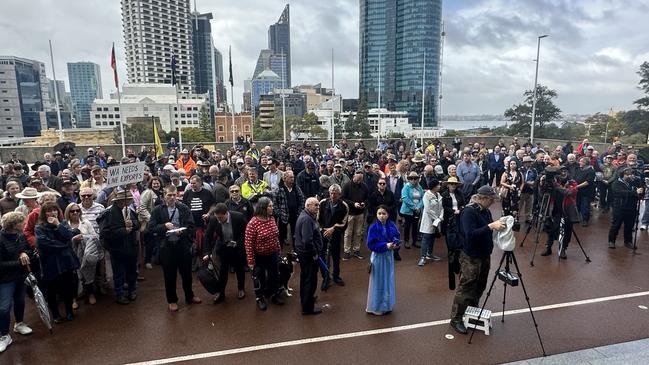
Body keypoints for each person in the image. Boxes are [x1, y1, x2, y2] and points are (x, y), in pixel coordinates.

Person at [450, 186, 505, 334]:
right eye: (491, 199)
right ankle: (456, 318)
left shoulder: (485, 211)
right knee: (466, 288)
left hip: (484, 254)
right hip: (471, 256)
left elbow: (488, 228)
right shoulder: (469, 211)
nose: (493, 202)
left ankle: (471, 312)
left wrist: (498, 225)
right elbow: (470, 234)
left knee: (479, 286)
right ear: (483, 198)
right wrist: (490, 226)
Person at [149, 185, 202, 311]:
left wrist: (182, 232)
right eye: (169, 195)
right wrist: (164, 226)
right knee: (169, 275)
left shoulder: (183, 208)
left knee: (187, 274)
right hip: (167, 247)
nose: (172, 198)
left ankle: (189, 296)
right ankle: (172, 300)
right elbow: (151, 228)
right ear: (164, 196)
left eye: (174, 195)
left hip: (182, 245)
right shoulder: (157, 210)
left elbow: (191, 226)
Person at [35, 202, 80, 323]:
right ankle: (55, 314)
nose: (52, 213)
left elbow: (68, 236)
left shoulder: (63, 223)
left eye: (54, 210)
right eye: (48, 211)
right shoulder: (39, 227)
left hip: (66, 261)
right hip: (50, 263)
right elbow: (44, 243)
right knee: (51, 290)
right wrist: (64, 245)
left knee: (68, 288)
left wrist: (58, 225)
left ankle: (69, 311)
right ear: (44, 214)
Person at [0, 212, 34, 353]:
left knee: (20, 301)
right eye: (21, 222)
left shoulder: (20, 235)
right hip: (5, 279)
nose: (24, 224)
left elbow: (27, 250)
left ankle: (19, 324)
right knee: (4, 307)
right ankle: (4, 335)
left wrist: (24, 253)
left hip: (20, 276)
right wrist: (19, 262)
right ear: (13, 225)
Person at [99, 190, 140, 305]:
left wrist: (133, 225)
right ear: (119, 200)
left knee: (132, 271)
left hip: (131, 247)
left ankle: (132, 290)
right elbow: (105, 232)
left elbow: (138, 224)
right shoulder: (109, 213)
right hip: (117, 248)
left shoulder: (130, 211)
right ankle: (120, 293)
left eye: (128, 200)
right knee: (119, 273)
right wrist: (123, 230)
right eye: (125, 200)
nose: (126, 202)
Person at [244, 197, 284, 311]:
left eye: (272, 206)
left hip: (273, 254)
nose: (272, 208)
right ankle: (259, 298)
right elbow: (248, 244)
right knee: (259, 278)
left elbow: (276, 236)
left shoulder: (271, 219)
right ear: (263, 208)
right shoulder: (253, 223)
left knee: (274, 276)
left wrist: (278, 250)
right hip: (259, 256)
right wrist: (251, 261)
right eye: (270, 206)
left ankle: (274, 295)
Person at [203, 203, 248, 302]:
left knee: (239, 269)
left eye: (221, 217)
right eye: (217, 217)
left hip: (237, 247)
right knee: (222, 272)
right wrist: (206, 252)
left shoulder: (238, 217)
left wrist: (237, 243)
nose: (219, 220)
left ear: (227, 213)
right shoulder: (214, 219)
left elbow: (245, 233)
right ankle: (221, 292)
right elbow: (207, 236)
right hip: (223, 247)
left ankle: (241, 289)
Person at [63, 203, 100, 306]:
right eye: (72, 211)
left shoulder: (85, 222)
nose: (75, 213)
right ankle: (74, 298)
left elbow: (94, 236)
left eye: (77, 210)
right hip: (71, 255)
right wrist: (73, 239)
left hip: (85, 252)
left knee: (88, 273)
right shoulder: (65, 225)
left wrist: (83, 237)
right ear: (68, 213)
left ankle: (90, 294)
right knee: (73, 277)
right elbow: (62, 241)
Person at [366, 205, 400, 316]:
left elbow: (397, 237)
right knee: (378, 281)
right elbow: (370, 244)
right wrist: (385, 245)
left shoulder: (392, 225)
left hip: (388, 256)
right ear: (376, 215)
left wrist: (395, 244)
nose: (381, 216)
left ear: (388, 215)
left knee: (387, 280)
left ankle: (386, 305)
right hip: (378, 257)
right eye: (379, 213)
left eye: (384, 213)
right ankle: (376, 306)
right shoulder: (373, 227)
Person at [541, 166, 579, 259]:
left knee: (566, 231)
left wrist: (555, 185)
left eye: (565, 171)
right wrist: (543, 182)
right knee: (551, 229)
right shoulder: (553, 181)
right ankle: (548, 247)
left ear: (568, 173)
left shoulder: (572, 182)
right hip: (554, 210)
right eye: (561, 171)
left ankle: (563, 249)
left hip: (567, 211)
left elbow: (569, 192)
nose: (563, 173)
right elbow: (542, 192)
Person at [294, 198, 324, 315]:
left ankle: (306, 299)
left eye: (318, 205)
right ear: (308, 205)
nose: (317, 207)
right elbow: (307, 240)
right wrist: (314, 253)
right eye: (315, 205)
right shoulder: (307, 219)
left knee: (305, 278)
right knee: (310, 280)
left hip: (304, 254)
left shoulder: (306, 216)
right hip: (308, 255)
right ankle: (307, 307)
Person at [318, 184, 348, 291]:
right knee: (322, 257)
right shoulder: (322, 203)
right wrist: (323, 230)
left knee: (336, 257)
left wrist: (333, 229)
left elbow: (344, 223)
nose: (332, 195)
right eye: (331, 192)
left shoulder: (344, 206)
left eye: (335, 193)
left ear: (339, 194)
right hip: (323, 234)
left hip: (335, 235)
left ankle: (336, 276)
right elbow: (317, 219)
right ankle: (325, 278)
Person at [608, 167, 643, 249]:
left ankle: (628, 241)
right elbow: (620, 193)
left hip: (631, 207)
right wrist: (634, 192)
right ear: (622, 175)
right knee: (616, 225)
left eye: (631, 174)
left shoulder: (634, 182)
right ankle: (611, 241)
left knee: (629, 226)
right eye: (628, 174)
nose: (630, 176)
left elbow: (640, 191)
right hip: (619, 207)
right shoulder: (616, 183)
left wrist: (641, 190)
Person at [342, 170, 369, 260]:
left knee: (358, 233)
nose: (359, 181)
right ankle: (347, 251)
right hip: (350, 213)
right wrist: (353, 204)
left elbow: (367, 198)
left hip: (360, 213)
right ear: (354, 177)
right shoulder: (347, 186)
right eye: (358, 179)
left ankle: (356, 249)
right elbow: (343, 198)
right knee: (348, 233)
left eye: (361, 179)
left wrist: (364, 203)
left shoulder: (364, 186)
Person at [137, 177, 164, 269]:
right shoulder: (147, 193)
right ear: (150, 184)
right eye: (154, 183)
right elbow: (142, 208)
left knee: (159, 241)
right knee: (150, 242)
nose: (156, 185)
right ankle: (147, 261)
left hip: (160, 221)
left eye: (157, 183)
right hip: (149, 222)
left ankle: (158, 259)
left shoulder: (162, 193)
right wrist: (151, 219)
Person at [273, 171, 305, 247]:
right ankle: (280, 253)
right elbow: (274, 203)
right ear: (284, 179)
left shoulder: (296, 188)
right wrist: (279, 213)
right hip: (283, 216)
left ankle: (295, 251)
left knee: (295, 234)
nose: (292, 179)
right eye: (290, 177)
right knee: (281, 235)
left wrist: (300, 211)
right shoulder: (279, 189)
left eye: (293, 177)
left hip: (295, 215)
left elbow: (302, 199)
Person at [418, 179, 444, 266]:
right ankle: (423, 257)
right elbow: (428, 209)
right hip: (429, 220)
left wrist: (440, 217)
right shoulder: (427, 195)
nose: (439, 186)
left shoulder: (439, 195)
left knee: (433, 237)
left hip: (437, 220)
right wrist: (436, 218)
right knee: (426, 237)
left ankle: (430, 254)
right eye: (438, 185)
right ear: (433, 187)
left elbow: (441, 207)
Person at [400, 171, 424, 249]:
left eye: (415, 178)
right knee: (407, 226)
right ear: (409, 179)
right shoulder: (406, 187)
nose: (413, 180)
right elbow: (405, 198)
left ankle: (415, 240)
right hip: (408, 210)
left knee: (415, 226)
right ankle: (406, 241)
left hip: (417, 210)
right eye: (411, 178)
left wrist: (419, 207)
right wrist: (414, 207)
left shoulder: (419, 187)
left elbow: (422, 198)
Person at [575, 157, 596, 226]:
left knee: (585, 206)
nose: (579, 163)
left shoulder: (591, 171)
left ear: (585, 163)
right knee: (577, 205)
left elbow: (587, 182)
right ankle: (577, 218)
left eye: (581, 161)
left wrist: (577, 186)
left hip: (586, 192)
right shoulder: (579, 169)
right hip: (578, 192)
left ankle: (585, 220)